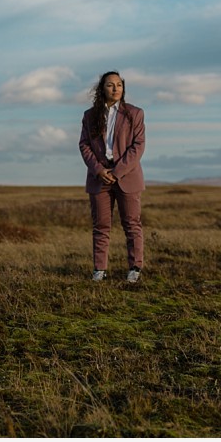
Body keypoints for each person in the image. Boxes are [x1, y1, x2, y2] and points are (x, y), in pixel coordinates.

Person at [78, 71, 146, 283]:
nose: (116, 88)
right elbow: (84, 145)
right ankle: (100, 270)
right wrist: (99, 170)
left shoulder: (134, 113)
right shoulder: (90, 116)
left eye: (119, 84)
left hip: (127, 176)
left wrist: (117, 172)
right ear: (102, 89)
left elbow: (138, 146)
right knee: (101, 226)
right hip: (99, 178)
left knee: (132, 224)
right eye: (110, 85)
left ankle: (135, 268)